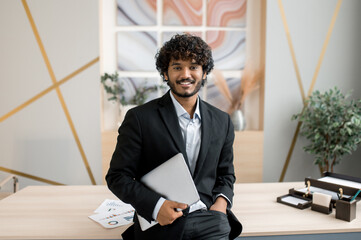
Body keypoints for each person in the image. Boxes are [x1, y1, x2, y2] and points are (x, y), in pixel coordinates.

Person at [106, 33, 242, 240]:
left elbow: (226, 174)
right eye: (177, 67)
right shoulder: (139, 118)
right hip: (162, 222)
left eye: (194, 67)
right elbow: (117, 177)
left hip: (211, 219)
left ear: (204, 73)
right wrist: (157, 206)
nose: (185, 74)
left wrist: (220, 206)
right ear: (165, 74)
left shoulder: (222, 121)